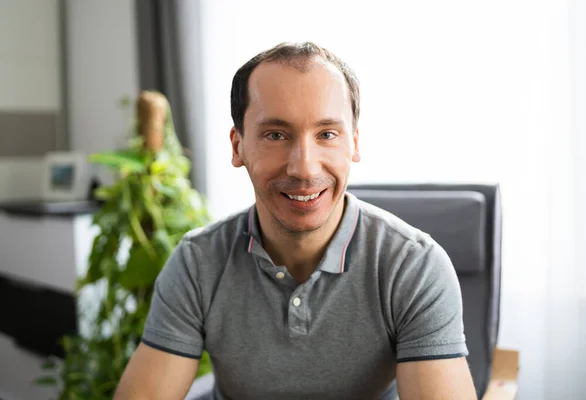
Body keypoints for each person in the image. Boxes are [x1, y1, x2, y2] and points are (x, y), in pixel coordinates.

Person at [114, 42, 477, 400]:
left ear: (353, 143)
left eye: (327, 135)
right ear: (237, 145)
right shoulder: (198, 261)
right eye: (276, 135)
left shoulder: (413, 265)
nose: (304, 167)